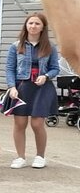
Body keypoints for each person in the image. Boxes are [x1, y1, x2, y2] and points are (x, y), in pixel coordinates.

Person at [5, 12, 60, 169]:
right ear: (26, 25)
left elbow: (55, 68)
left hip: (42, 88)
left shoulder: (50, 47)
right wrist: (12, 87)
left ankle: (40, 157)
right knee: (20, 123)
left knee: (37, 123)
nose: (33, 26)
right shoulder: (16, 46)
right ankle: (20, 157)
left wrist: (46, 76)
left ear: (43, 27)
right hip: (22, 87)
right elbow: (10, 68)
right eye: (30, 23)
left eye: (37, 23)